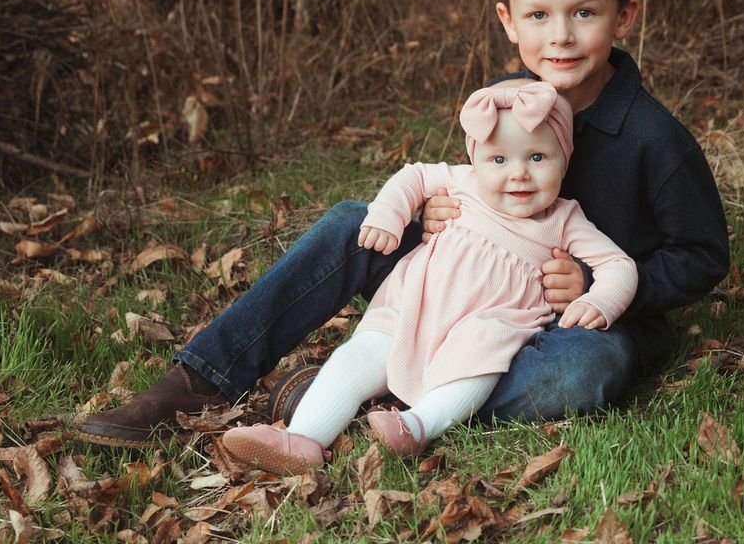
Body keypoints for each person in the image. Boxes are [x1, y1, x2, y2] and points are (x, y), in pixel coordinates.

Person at [78, 0, 730, 449]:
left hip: (576, 319)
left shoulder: (654, 138)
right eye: (538, 16)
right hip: (464, 290)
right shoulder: (504, 99)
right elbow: (478, 186)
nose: (559, 35)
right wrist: (442, 210)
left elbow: (702, 256)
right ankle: (203, 379)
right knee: (347, 223)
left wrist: (595, 289)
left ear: (624, 17)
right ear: (508, 22)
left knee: (588, 369)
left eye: (584, 13)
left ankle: (383, 401)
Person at [218, 82, 637, 474]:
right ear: (475, 159)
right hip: (413, 305)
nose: (519, 174)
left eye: (538, 158)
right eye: (499, 159)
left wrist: (598, 301)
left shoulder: (565, 219)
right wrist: (389, 213)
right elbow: (414, 176)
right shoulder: (461, 181)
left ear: (565, 158)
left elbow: (618, 265)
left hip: (487, 325)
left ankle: (416, 427)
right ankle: (302, 440)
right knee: (356, 358)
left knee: (475, 367)